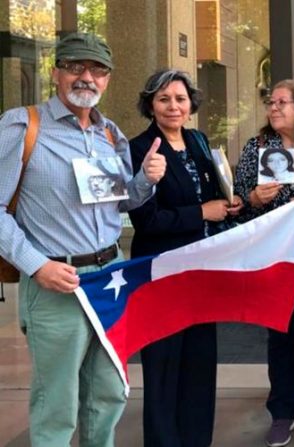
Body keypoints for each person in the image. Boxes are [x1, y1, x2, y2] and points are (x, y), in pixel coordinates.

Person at [0, 32, 165, 447]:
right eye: (75, 67)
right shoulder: (23, 125)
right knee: (57, 403)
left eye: (97, 70)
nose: (86, 77)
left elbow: (119, 203)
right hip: (57, 280)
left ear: (107, 79)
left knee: (108, 392)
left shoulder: (110, 135)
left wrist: (144, 180)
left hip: (109, 277)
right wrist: (37, 265)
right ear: (56, 73)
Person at [128, 69, 242, 447]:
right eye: (163, 99)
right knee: (163, 366)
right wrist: (201, 213)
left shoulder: (198, 140)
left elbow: (212, 195)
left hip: (200, 272)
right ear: (150, 105)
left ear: (191, 103)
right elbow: (144, 220)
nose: (173, 106)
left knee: (198, 362)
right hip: (161, 272)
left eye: (179, 98)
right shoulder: (139, 149)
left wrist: (228, 205)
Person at [234, 78, 294, 447]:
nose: (273, 108)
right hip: (276, 262)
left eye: (282, 102)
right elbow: (238, 205)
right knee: (282, 342)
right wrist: (255, 198)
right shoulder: (257, 147)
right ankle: (283, 413)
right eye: (270, 102)